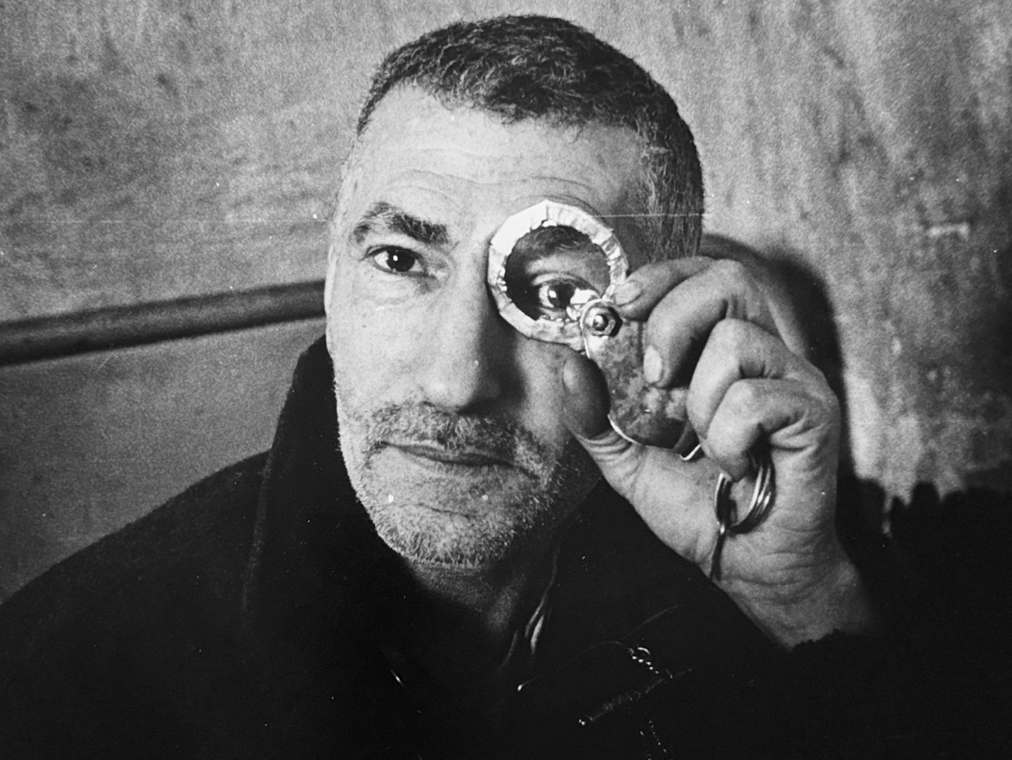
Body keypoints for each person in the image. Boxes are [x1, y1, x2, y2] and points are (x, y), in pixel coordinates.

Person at [0, 14, 963, 759]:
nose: (459, 378)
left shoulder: (750, 571)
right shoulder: (59, 686)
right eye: (399, 259)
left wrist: (804, 601)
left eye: (551, 293)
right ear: (332, 280)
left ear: (654, 323)